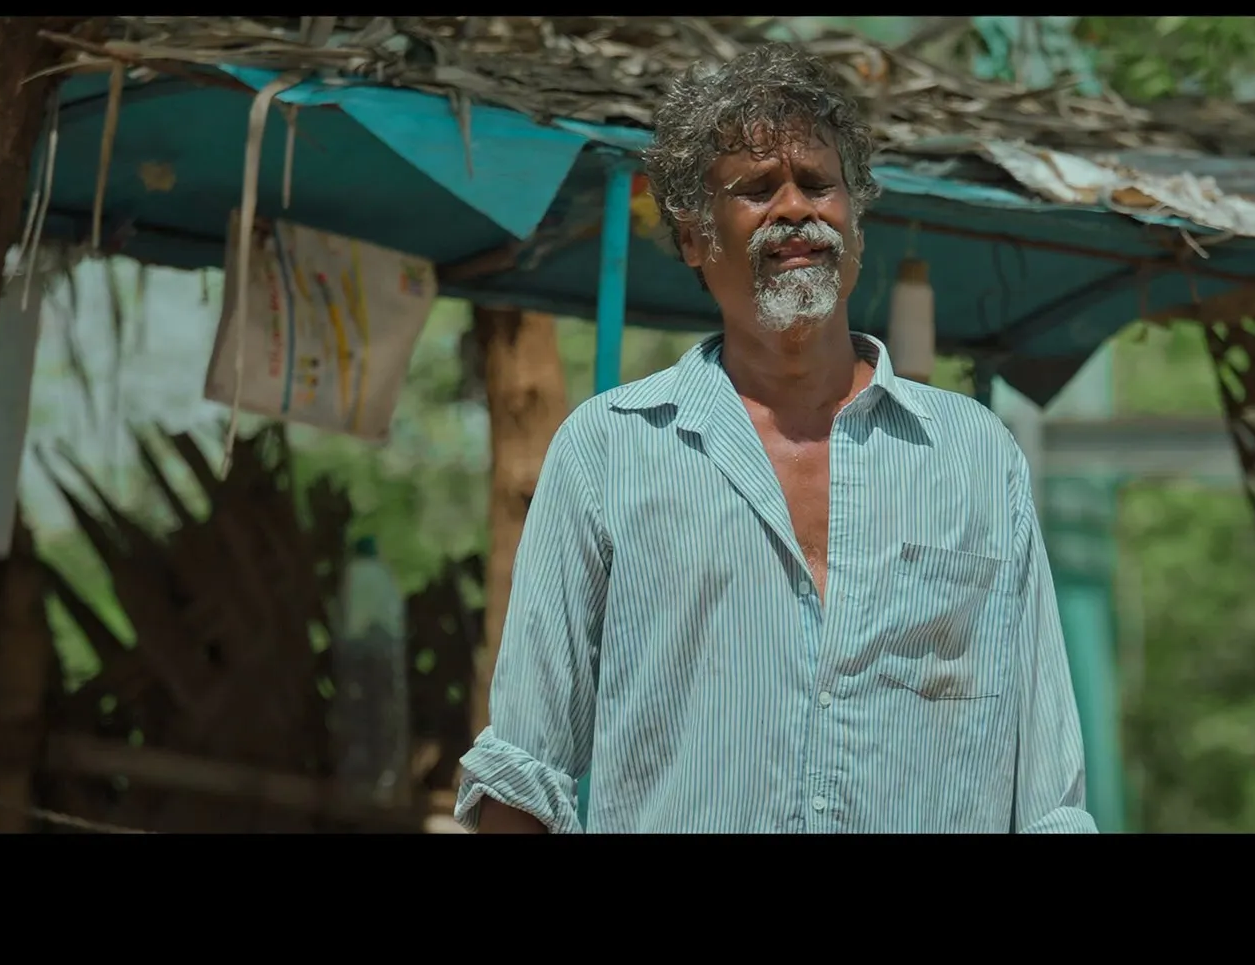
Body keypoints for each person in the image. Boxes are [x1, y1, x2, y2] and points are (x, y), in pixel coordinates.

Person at [454, 43, 1097, 834]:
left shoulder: (975, 458)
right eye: (757, 189)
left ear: (857, 221)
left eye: (818, 184)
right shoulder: (609, 452)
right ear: (694, 237)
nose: (795, 209)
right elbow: (524, 771)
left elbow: (1048, 800)